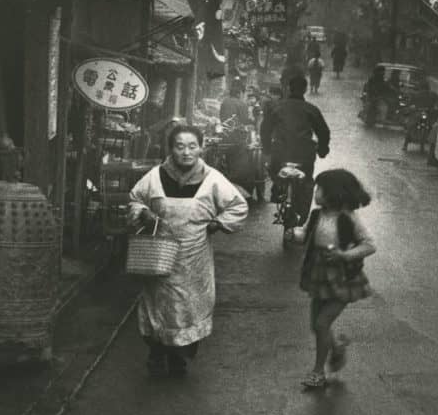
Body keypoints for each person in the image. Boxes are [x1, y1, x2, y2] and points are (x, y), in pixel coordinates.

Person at [129, 125, 249, 377]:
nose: (186, 152)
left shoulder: (213, 178)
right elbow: (135, 199)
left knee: (189, 307)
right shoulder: (154, 176)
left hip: (194, 258)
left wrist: (218, 223)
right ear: (171, 149)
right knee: (157, 306)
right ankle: (156, 353)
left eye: (192, 146)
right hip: (160, 255)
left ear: (201, 148)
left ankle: (179, 358)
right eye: (180, 146)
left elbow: (238, 206)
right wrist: (144, 213)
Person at [293, 169, 376, 389]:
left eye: (319, 189)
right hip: (319, 274)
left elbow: (369, 245)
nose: (315, 193)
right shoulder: (316, 215)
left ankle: (318, 373)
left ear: (334, 193)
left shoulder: (348, 218)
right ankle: (337, 348)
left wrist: (344, 255)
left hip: (343, 278)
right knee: (316, 325)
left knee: (322, 323)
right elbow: (306, 235)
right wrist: (295, 233)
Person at [259, 76, 330, 224]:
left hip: (280, 153)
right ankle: (302, 215)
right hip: (304, 156)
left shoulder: (277, 107)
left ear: (289, 88)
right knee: (307, 181)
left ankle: (277, 189)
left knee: (273, 170)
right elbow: (324, 132)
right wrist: (322, 150)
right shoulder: (311, 109)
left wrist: (266, 148)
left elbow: (265, 129)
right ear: (304, 89)